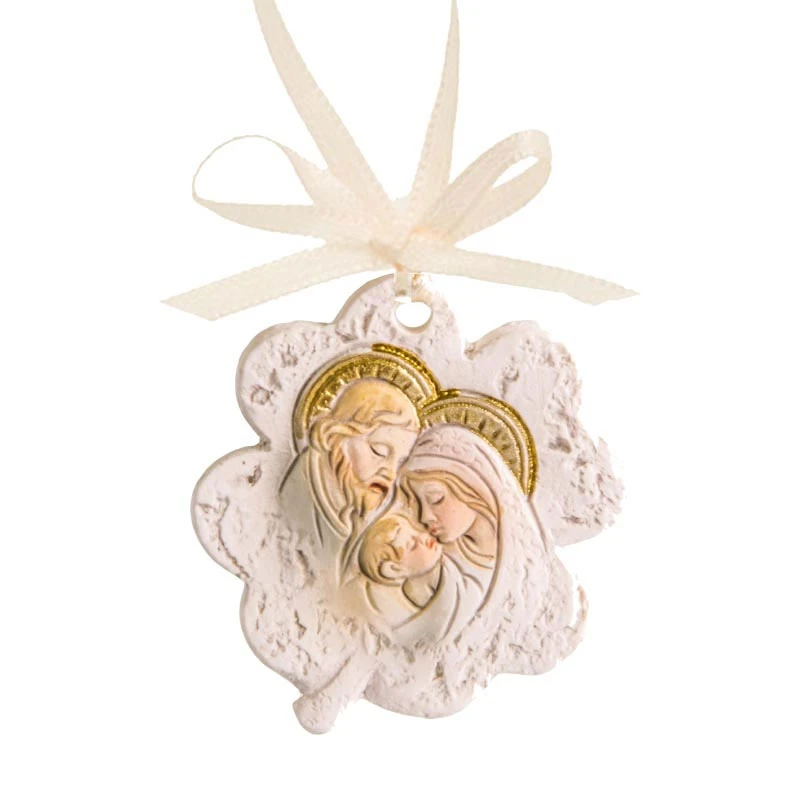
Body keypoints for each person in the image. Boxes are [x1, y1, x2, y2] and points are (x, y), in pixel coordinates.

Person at [279, 378, 420, 570]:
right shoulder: (297, 500)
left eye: (401, 462)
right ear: (332, 437)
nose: (391, 472)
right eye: (379, 451)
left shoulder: (359, 514)